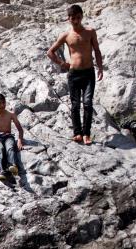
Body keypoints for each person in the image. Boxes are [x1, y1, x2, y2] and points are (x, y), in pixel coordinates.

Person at [46, 4, 104, 145]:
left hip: (89, 73)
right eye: (73, 18)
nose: (76, 21)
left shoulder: (90, 32)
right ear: (69, 19)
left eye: (78, 17)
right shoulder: (66, 35)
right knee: (75, 104)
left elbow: (96, 50)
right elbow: (50, 52)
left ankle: (87, 134)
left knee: (88, 104)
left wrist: (100, 68)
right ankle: (77, 133)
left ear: (82, 16)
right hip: (74, 74)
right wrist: (62, 63)